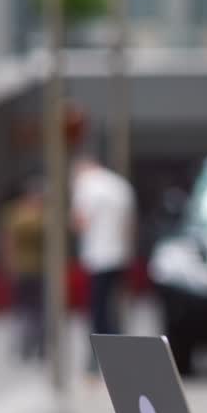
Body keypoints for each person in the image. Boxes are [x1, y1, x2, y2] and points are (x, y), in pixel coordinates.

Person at [71, 154, 135, 377]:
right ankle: (120, 354)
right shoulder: (120, 185)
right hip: (119, 255)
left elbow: (81, 222)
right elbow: (128, 225)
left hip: (97, 256)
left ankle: (97, 358)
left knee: (98, 312)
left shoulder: (86, 185)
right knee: (114, 308)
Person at [0, 176, 46, 362]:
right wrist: (8, 263)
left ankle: (38, 344)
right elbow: (7, 240)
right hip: (24, 267)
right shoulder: (17, 213)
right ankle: (27, 344)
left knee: (38, 309)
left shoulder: (40, 213)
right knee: (25, 308)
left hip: (39, 267)